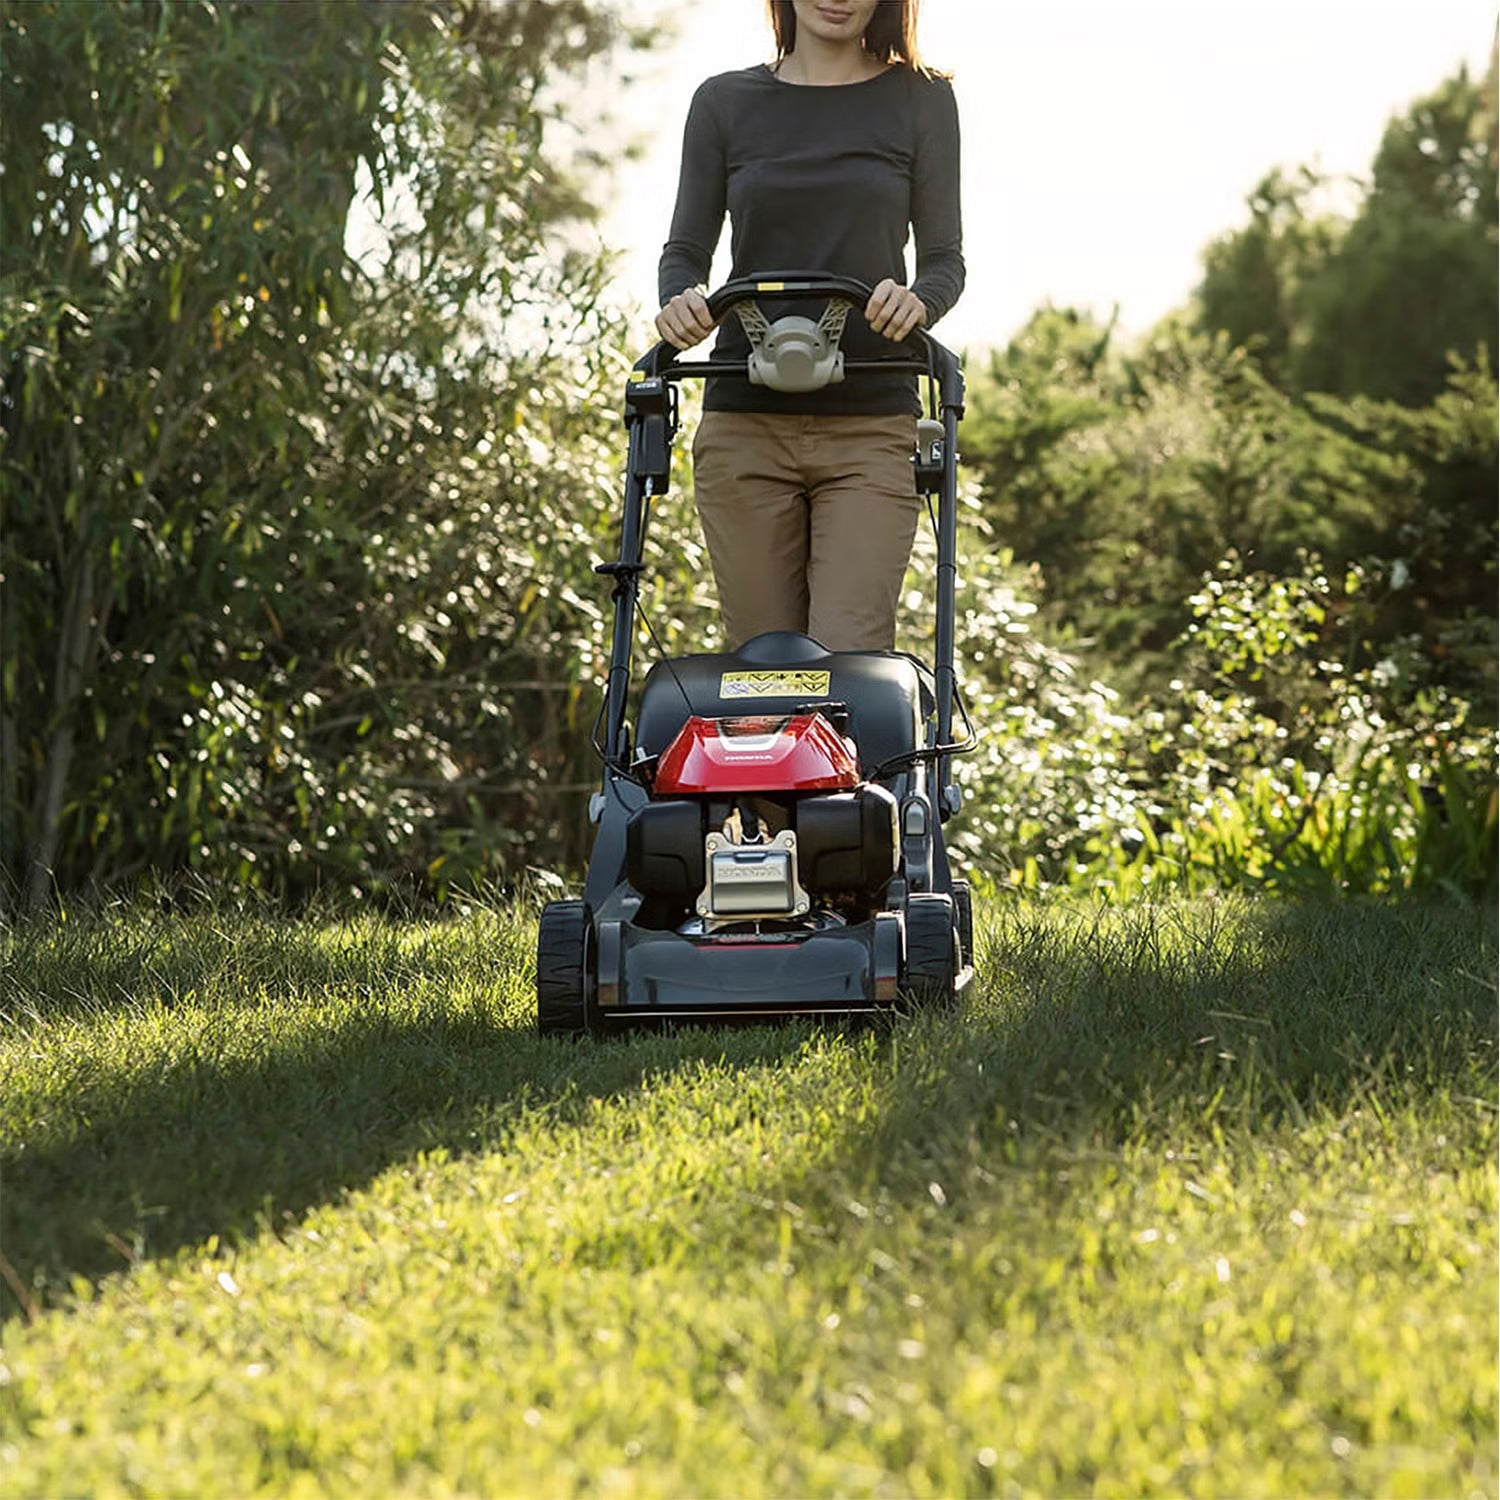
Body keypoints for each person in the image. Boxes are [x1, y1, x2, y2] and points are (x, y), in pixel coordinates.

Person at [656, 0, 964, 655]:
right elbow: (684, 251)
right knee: (762, 667)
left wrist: (918, 303)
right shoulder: (723, 103)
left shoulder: (922, 99)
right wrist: (680, 301)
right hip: (745, 427)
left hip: (871, 426)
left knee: (846, 661)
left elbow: (945, 262)